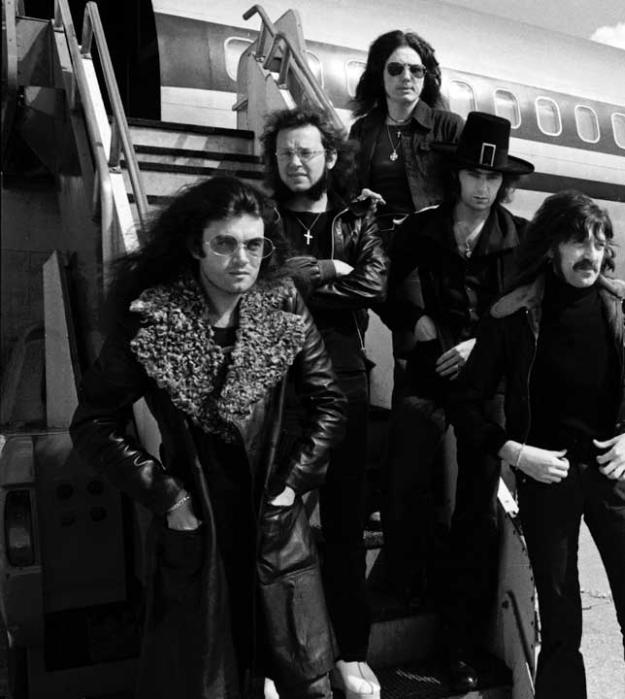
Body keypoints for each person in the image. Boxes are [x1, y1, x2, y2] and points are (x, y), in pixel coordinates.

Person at [70, 176, 343, 698]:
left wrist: (292, 485)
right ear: (197, 245)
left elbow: (329, 403)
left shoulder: (282, 305)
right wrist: (168, 498)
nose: (243, 258)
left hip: (273, 522)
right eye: (225, 243)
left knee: (306, 680)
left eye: (254, 244)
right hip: (200, 524)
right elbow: (93, 424)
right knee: (207, 680)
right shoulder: (153, 318)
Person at [449, 191, 625, 698]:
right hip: (546, 479)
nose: (591, 254)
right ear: (552, 246)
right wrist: (516, 453)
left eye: (600, 243)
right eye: (579, 241)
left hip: (613, 476)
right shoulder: (511, 316)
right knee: (560, 628)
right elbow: (466, 405)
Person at [378, 111, 533, 692]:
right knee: (409, 482)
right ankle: (406, 596)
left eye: (493, 178)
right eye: (473, 173)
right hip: (425, 379)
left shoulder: (519, 240)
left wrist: (479, 347)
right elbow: (386, 290)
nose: (482, 187)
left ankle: (461, 645)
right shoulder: (419, 229)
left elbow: (526, 316)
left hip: (483, 387)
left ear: (503, 184)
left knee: (477, 513)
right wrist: (413, 319)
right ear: (457, 175)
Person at [261, 107, 388, 699]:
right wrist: (329, 271)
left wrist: (309, 277)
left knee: (343, 519)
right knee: (275, 519)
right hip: (276, 381)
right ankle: (276, 653)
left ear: (329, 157)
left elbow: (375, 284)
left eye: (307, 152)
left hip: (342, 376)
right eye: (286, 153)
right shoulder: (258, 217)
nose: (296, 162)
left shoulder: (357, 215)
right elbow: (257, 289)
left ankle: (351, 650)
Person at [348, 29, 463, 229]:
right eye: (395, 69)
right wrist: (360, 202)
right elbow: (347, 192)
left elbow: (465, 192)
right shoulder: (362, 129)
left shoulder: (449, 126)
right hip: (376, 240)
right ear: (379, 74)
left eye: (416, 70)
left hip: (430, 238)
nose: (407, 77)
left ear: (425, 75)